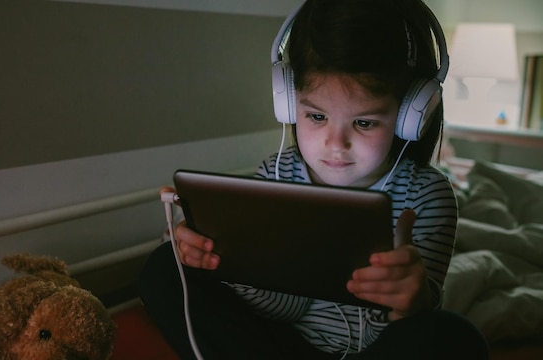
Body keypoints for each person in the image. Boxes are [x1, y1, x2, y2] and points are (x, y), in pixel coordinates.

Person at [139, 0, 489, 359]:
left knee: (453, 336)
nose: (335, 145)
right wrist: (220, 258)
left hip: (373, 351)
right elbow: (283, 309)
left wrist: (405, 304)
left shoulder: (427, 196)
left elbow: (405, 333)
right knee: (165, 267)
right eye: (317, 116)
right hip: (276, 346)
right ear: (290, 105)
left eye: (364, 122)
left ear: (409, 117)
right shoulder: (277, 174)